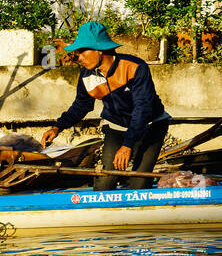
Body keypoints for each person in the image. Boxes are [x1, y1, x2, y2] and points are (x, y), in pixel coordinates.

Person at [40, 21, 171, 190]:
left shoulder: (135, 67)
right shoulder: (86, 75)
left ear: (100, 50)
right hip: (116, 127)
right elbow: (81, 105)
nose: (78, 57)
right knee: (105, 183)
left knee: (138, 183)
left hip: (150, 125)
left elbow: (142, 109)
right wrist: (57, 127)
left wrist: (127, 145)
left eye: (81, 51)